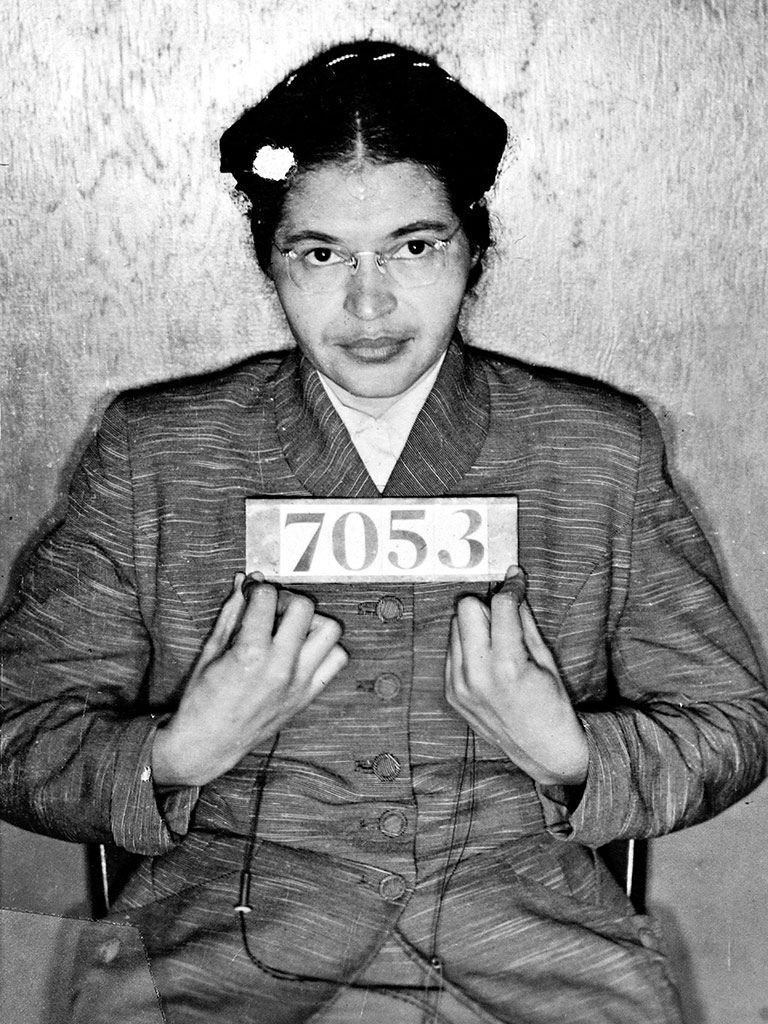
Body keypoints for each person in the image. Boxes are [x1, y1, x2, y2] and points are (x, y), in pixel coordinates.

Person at [1, 39, 766, 1024]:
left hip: (536, 933)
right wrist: (176, 754)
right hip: (222, 934)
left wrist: (574, 755)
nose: (369, 305)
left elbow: (731, 722)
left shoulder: (597, 450)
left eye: (414, 247)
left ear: (474, 248)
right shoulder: (155, 451)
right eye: (321, 254)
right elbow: (15, 731)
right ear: (271, 262)